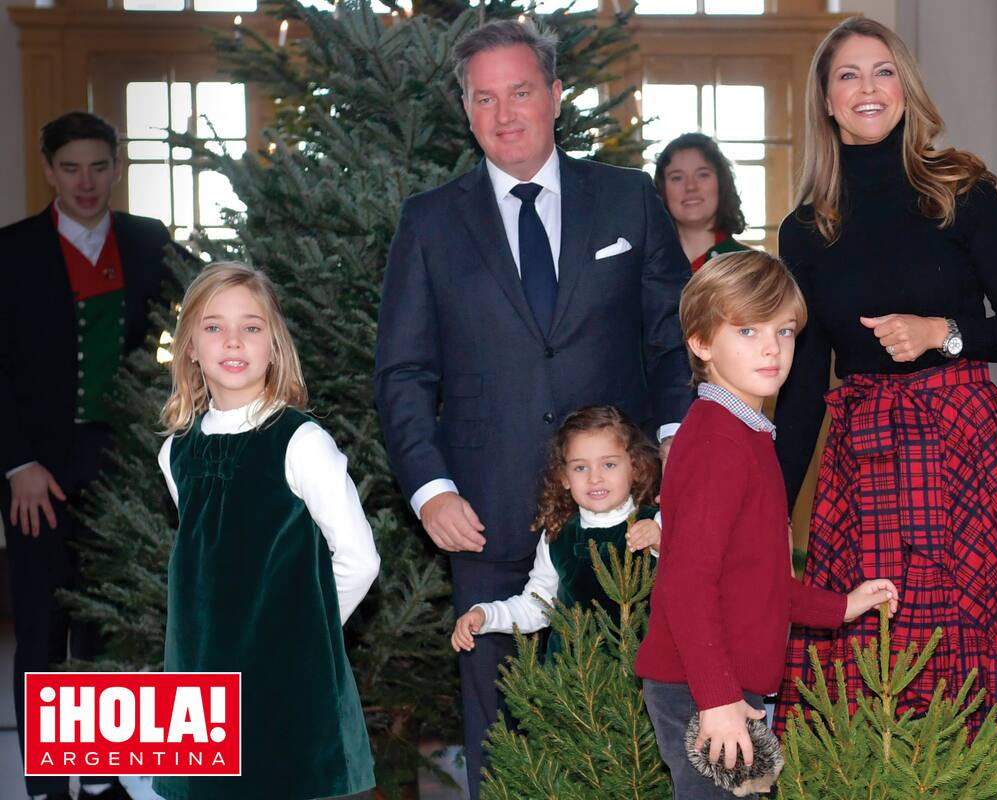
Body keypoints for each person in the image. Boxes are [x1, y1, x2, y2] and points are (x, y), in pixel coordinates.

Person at [771, 17, 997, 800]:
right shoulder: (805, 230)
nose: (867, 90)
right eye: (847, 76)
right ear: (825, 100)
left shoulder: (960, 192)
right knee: (872, 648)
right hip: (866, 463)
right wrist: (768, 512)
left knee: (979, 644)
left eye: (881, 72)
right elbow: (802, 387)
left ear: (905, 86)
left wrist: (940, 335)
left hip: (966, 447)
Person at [373, 18, 692, 799]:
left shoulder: (626, 201)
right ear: (465, 110)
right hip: (481, 508)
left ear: (554, 95)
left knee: (635, 706)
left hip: (620, 513)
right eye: (485, 98)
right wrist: (430, 488)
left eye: (520, 92)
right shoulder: (430, 221)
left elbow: (676, 340)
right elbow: (403, 371)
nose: (505, 113)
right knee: (495, 715)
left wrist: (679, 455)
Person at [634, 250, 898, 800]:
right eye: (748, 329)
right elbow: (686, 584)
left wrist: (839, 607)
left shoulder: (746, 433)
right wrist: (716, 699)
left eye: (784, 330)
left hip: (727, 682)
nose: (772, 347)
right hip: (701, 685)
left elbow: (756, 577)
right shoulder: (715, 444)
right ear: (702, 343)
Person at [154, 263, 380, 800]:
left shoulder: (302, 443)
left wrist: (304, 634)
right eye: (213, 327)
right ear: (189, 346)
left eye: (252, 327)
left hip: (284, 679)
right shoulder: (175, 453)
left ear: (275, 345)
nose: (233, 340)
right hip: (203, 680)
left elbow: (358, 558)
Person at [0, 111, 174, 800]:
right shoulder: (10, 251)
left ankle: (103, 780)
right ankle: (47, 787)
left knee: (107, 623)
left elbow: (177, 339)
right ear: (48, 170)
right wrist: (16, 465)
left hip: (121, 464)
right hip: (33, 471)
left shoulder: (148, 242)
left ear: (117, 167)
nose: (86, 182)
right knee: (43, 627)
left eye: (99, 167)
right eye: (70, 168)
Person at [450, 404, 660, 654]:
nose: (595, 478)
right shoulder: (557, 536)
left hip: (640, 679)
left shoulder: (657, 524)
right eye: (580, 467)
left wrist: (661, 544)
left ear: (635, 467)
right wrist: (485, 614)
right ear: (564, 477)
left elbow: (693, 584)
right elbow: (536, 606)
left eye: (609, 465)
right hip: (571, 683)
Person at [654, 132, 750, 272]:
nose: (691, 186)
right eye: (677, 178)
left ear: (722, 184)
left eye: (703, 175)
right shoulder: (645, 267)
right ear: (661, 189)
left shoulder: (750, 268)